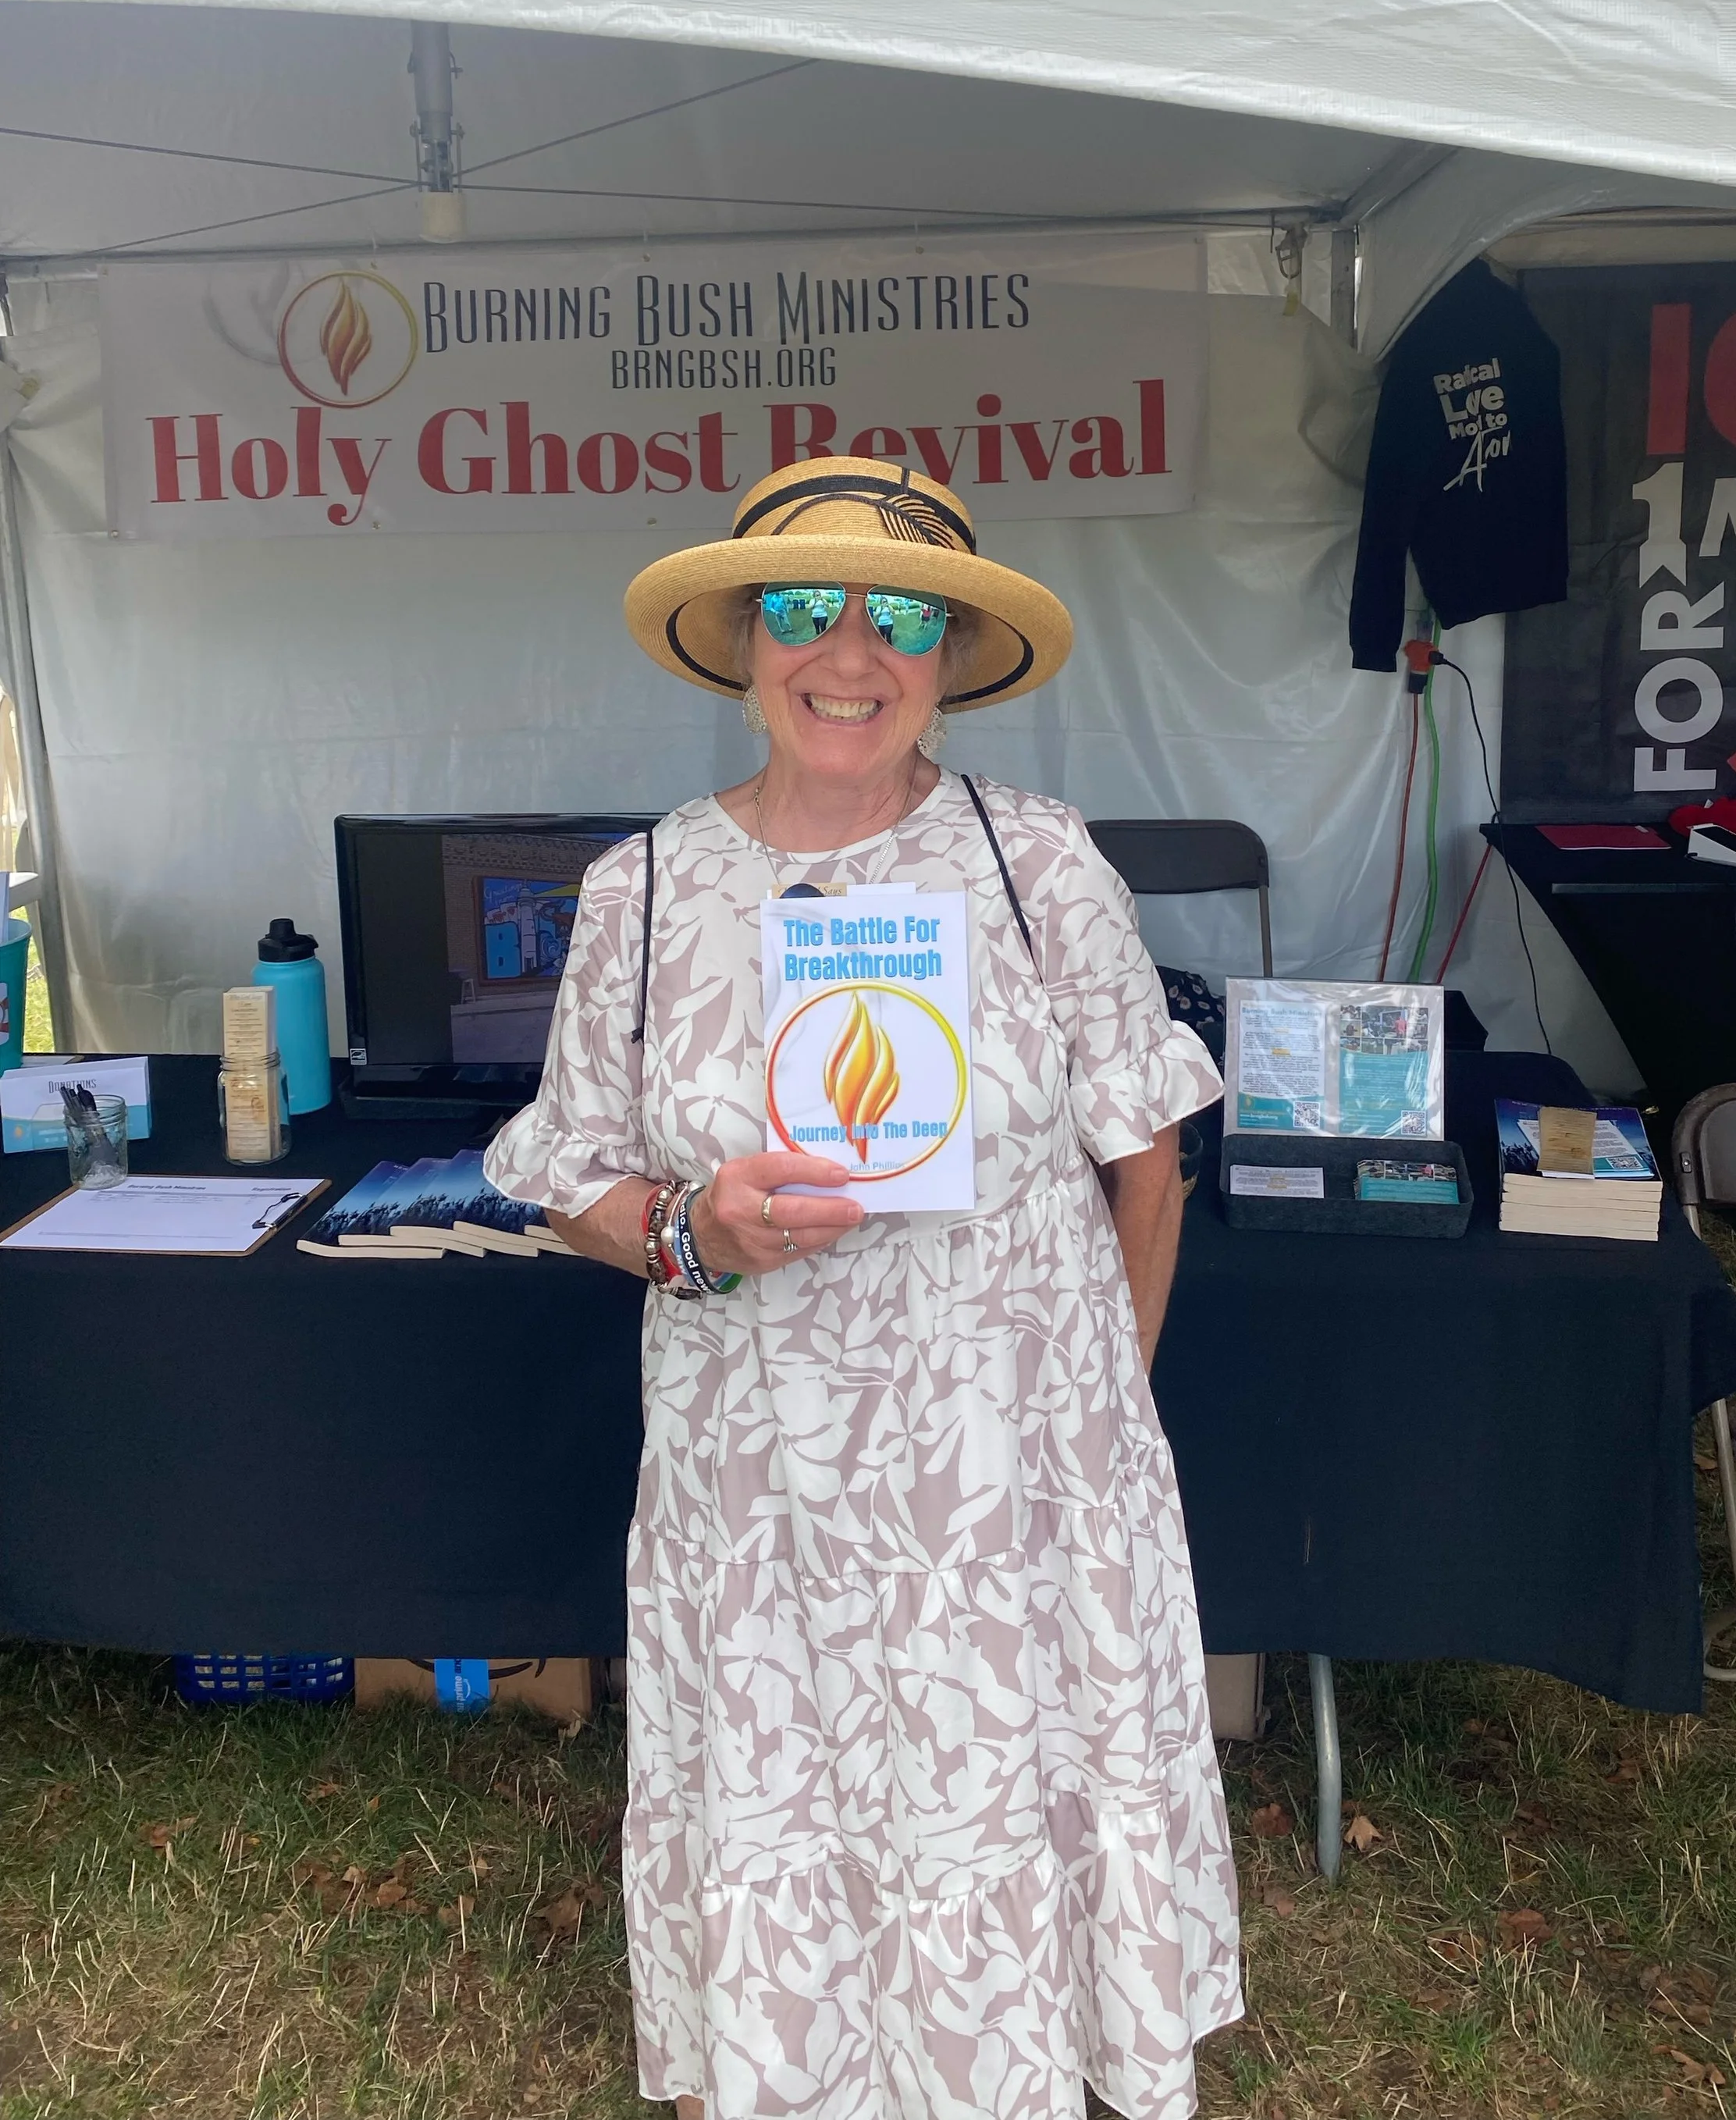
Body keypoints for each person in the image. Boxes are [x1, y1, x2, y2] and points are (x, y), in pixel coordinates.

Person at [486, 454, 1241, 2120]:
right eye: (802, 610)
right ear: (741, 646)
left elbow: (1142, 1160)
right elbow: (568, 1183)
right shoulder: (644, 890)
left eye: (901, 613)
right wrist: (691, 1227)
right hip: (757, 1487)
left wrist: (1098, 1430)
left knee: (993, 1787)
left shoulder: (1039, 865)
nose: (851, 649)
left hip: (1005, 1481)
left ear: (953, 657)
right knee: (776, 1784)